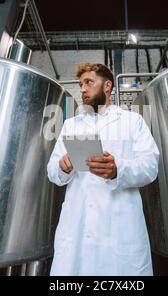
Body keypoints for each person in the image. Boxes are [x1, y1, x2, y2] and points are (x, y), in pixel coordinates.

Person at [47, 63, 159, 275]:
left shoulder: (131, 121)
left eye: (89, 82)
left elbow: (150, 165)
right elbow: (52, 171)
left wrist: (118, 169)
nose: (82, 89)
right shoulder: (71, 125)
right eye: (81, 84)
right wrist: (62, 167)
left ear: (107, 86)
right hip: (78, 228)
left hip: (119, 228)